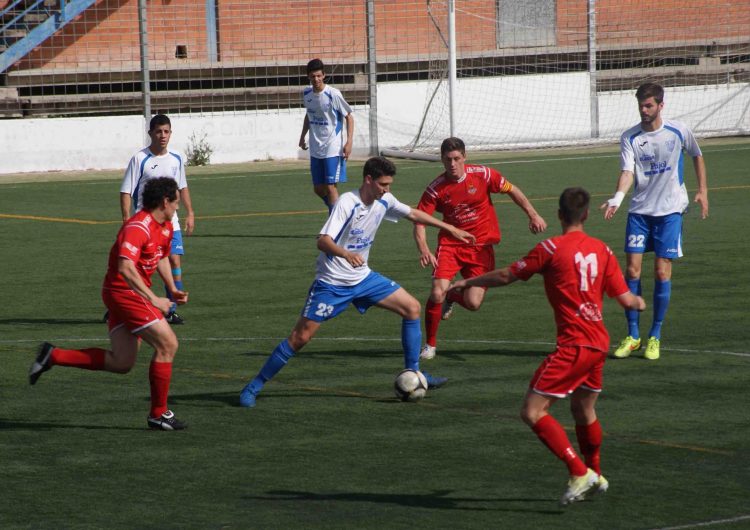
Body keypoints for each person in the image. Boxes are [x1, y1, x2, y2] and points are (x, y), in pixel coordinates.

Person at [448, 187, 646, 505]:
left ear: (558, 215)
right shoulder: (603, 250)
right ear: (585, 215)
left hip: (574, 345)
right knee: (584, 410)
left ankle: (579, 471)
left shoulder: (550, 249)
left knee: (532, 411)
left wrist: (469, 281)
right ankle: (596, 473)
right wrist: (637, 300)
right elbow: (626, 299)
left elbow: (507, 275)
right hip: (598, 343)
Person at [239, 156, 476, 408]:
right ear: (368, 180)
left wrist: (449, 228)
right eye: (383, 184)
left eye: (389, 184)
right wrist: (346, 253)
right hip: (332, 283)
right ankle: (253, 387)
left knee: (412, 308)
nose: (387, 189)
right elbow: (322, 240)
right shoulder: (347, 203)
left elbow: (414, 213)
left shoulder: (384, 199)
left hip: (363, 278)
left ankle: (414, 373)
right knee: (300, 338)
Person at [29, 177, 189, 430]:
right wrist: (154, 298)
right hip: (123, 292)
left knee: (122, 362)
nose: (178, 207)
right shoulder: (138, 227)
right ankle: (159, 414)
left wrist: (171, 289)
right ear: (164, 201)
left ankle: (53, 355)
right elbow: (125, 268)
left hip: (130, 293)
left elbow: (160, 257)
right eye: (176, 203)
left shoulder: (166, 226)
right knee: (168, 343)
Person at [413, 137, 547, 360]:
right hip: (451, 246)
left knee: (473, 303)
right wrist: (424, 248)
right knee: (437, 291)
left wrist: (533, 215)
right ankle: (430, 345)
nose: (453, 164)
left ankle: (453, 297)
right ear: (442, 160)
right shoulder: (436, 189)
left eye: (457, 159)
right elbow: (419, 220)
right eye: (448, 160)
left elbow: (512, 189)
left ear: (465, 157)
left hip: (481, 247)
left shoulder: (483, 175)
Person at [602, 82, 708, 361]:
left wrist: (703, 191)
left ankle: (655, 335)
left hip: (670, 211)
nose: (644, 110)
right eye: (641, 105)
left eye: (649, 105)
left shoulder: (678, 131)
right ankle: (633, 335)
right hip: (639, 212)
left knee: (662, 272)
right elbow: (627, 172)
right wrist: (617, 198)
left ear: (661, 105)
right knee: (633, 272)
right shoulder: (631, 137)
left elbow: (697, 155)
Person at [119, 113, 195, 325]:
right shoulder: (140, 159)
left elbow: (182, 187)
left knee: (174, 260)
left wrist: (190, 212)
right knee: (141, 268)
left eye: (166, 131)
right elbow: (126, 191)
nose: (163, 135)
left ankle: (171, 307)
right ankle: (121, 303)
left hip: (171, 222)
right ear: (150, 133)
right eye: (159, 131)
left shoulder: (176, 159)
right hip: (146, 224)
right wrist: (126, 220)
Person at [298, 58, 354, 213]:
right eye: (312, 76)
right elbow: (309, 115)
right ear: (308, 77)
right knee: (318, 188)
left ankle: (335, 226)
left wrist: (349, 142)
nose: (316, 79)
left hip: (332, 147)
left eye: (318, 76)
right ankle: (337, 211)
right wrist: (303, 136)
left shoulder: (333, 94)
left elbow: (348, 116)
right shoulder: (307, 93)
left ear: (324, 75)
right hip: (316, 147)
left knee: (330, 187)